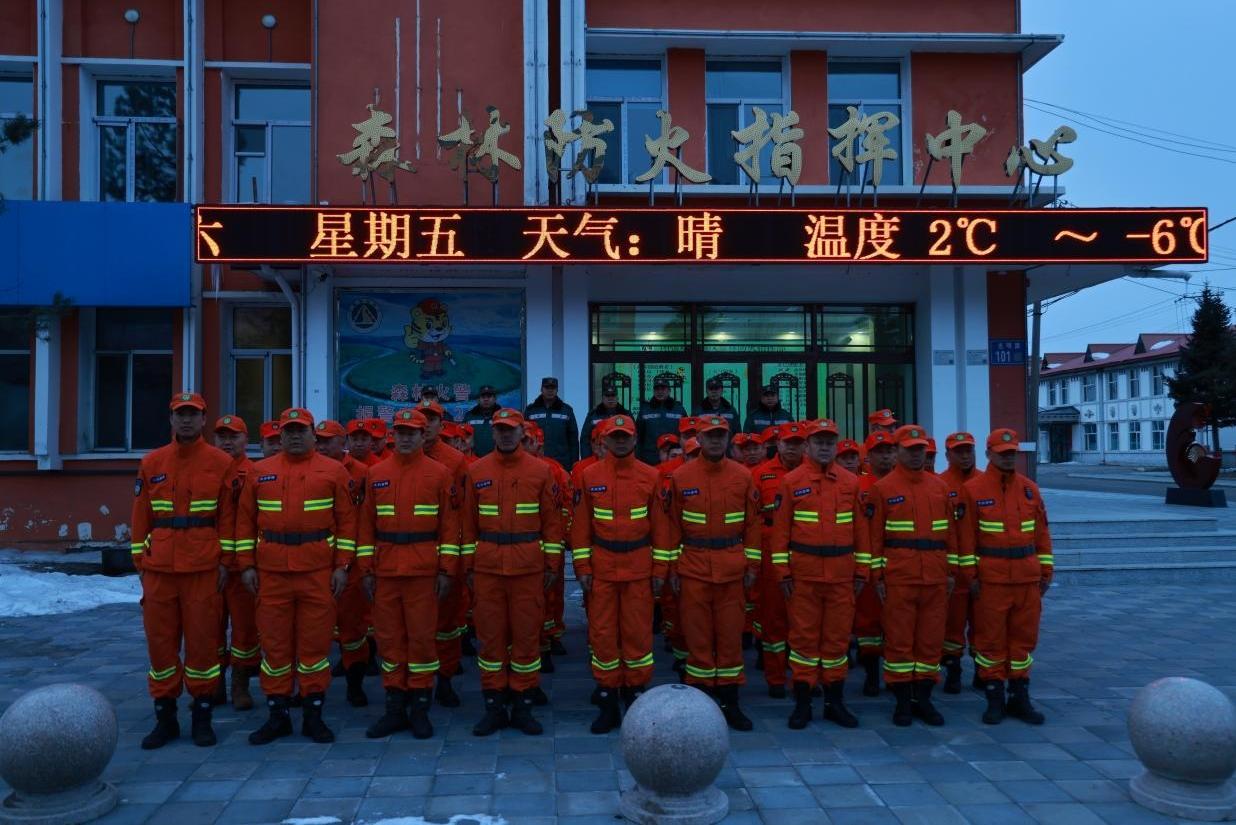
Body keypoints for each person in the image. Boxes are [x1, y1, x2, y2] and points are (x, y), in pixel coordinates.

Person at [236, 408, 357, 745]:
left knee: (314, 646)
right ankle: (278, 716)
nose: (293, 436)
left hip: (317, 573)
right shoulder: (260, 472)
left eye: (300, 430)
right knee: (275, 647)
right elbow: (244, 523)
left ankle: (313, 716)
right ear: (280, 435)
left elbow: (348, 523)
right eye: (288, 431)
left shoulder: (333, 471)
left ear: (313, 435)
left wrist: (342, 566)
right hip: (271, 574)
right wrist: (246, 565)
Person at [131, 392, 235, 749]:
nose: (186, 420)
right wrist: (140, 562)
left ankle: (202, 718)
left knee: (203, 645)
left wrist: (225, 561)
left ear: (204, 419)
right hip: (160, 569)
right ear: (171, 419)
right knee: (160, 645)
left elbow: (227, 518)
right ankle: (166, 719)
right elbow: (140, 515)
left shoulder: (221, 462)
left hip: (203, 568)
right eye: (180, 414)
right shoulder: (152, 462)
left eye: (193, 414)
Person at [358, 409, 460, 739]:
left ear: (423, 435)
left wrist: (447, 569)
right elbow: (365, 526)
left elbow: (449, 527)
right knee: (389, 640)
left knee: (421, 639)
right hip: (386, 570)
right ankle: (394, 708)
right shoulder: (376, 474)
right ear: (393, 434)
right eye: (400, 432)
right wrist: (365, 568)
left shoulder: (440, 474)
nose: (404, 438)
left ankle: (419, 709)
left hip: (423, 571)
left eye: (411, 433)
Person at [463, 408, 565, 736]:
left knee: (526, 638)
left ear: (523, 432)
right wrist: (468, 566)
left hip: (527, 568)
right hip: (488, 569)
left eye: (511, 429)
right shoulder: (476, 471)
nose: (506, 435)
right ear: (492, 433)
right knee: (490, 639)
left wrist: (552, 563)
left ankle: (522, 705)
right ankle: (494, 706)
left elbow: (552, 523)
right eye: (500, 429)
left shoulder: (541, 471)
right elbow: (467, 525)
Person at [571, 414, 672, 732]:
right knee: (602, 635)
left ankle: (635, 693)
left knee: (637, 634)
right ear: (604, 440)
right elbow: (581, 527)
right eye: (614, 437)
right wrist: (582, 567)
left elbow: (661, 528)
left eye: (625, 436)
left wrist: (660, 569)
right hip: (602, 569)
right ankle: (607, 698)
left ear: (635, 439)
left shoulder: (651, 476)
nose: (620, 441)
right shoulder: (589, 476)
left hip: (639, 569)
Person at [769, 418, 870, 729]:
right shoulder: (791, 481)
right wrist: (783, 573)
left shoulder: (851, 482)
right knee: (803, 641)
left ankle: (834, 703)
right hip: (804, 576)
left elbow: (861, 532)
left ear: (836, 446)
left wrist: (862, 571)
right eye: (819, 442)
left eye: (829, 442)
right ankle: (803, 703)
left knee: (837, 642)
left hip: (841, 576)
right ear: (808, 445)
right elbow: (780, 533)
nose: (825, 447)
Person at [666, 415, 761, 730]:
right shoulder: (681, 477)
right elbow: (672, 526)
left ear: (728, 438)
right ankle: (702, 704)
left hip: (732, 568)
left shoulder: (743, 476)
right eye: (710, 435)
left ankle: (731, 702)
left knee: (731, 637)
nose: (716, 440)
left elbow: (753, 525)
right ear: (699, 439)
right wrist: (673, 568)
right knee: (698, 639)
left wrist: (752, 565)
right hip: (693, 567)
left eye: (721, 435)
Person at [960, 429, 1052, 726]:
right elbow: (966, 540)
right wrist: (971, 576)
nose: (1008, 458)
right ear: (989, 454)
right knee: (991, 642)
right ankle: (994, 697)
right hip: (992, 581)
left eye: (1012, 453)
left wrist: (1046, 571)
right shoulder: (973, 490)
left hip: (1026, 579)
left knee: (1023, 641)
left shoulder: (1029, 489)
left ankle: (1019, 696)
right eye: (1002, 453)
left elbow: (1042, 535)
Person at [869, 425, 959, 727]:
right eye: (910, 449)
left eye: (920, 449)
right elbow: (874, 538)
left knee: (930, 641)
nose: (916, 454)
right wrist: (878, 577)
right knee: (899, 641)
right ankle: (902, 701)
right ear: (897, 451)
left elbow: (951, 536)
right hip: (899, 577)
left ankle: (924, 698)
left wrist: (951, 572)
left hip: (935, 576)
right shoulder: (882, 489)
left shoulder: (940, 487)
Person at [414, 398, 470, 707]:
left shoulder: (455, 461)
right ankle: (414, 685)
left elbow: (461, 511)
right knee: (414, 623)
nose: (426, 424)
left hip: (446, 550)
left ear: (440, 423)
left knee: (447, 621)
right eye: (421, 418)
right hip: (409, 554)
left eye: (432, 419)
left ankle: (445, 679)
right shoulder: (397, 457)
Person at [316, 419, 373, 707]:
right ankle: (310, 690)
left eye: (328, 440)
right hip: (316, 561)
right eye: (319, 440)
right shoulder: (310, 469)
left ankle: (355, 684)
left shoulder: (363, 473)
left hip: (351, 562)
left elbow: (367, 519)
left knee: (353, 628)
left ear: (343, 443)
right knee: (314, 628)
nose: (322, 446)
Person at [751, 421, 808, 697]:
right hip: (770, 551)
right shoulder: (760, 474)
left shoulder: (813, 473)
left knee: (804, 621)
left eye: (798, 443)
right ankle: (775, 678)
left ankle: (803, 677)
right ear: (779, 445)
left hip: (805, 552)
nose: (793, 448)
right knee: (773, 617)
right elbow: (751, 518)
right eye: (788, 443)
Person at [213, 414, 258, 711]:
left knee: (244, 628)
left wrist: (248, 563)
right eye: (222, 436)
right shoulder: (207, 470)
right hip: (210, 564)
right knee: (210, 628)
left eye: (234, 436)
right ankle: (213, 685)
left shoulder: (255, 473)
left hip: (241, 568)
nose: (227, 442)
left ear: (246, 440)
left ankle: (240, 685)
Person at [521, 421, 573, 673]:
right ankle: (537, 643)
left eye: (528, 441)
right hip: (524, 546)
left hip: (550, 542)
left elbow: (565, 506)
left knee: (553, 593)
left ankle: (552, 635)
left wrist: (561, 538)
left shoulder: (554, 470)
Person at [854, 430, 897, 696]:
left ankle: (896, 676)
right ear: (868, 456)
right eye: (879, 452)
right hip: (867, 562)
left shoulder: (903, 482)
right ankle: (871, 675)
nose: (885, 456)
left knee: (897, 622)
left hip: (899, 563)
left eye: (889, 451)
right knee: (868, 623)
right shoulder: (857, 486)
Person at [939, 431, 979, 693]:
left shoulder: (985, 482)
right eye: (959, 451)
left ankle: (983, 671)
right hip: (953, 571)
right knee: (952, 625)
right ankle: (953, 670)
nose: (965, 456)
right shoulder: (939, 485)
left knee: (983, 624)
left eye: (968, 451)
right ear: (948, 455)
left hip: (982, 570)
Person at [525, 376, 580, 470]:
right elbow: (524, 436)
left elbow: (573, 440)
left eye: (553, 388)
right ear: (541, 389)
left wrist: (574, 464)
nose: (550, 390)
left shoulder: (566, 410)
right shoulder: (531, 410)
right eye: (547, 387)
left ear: (557, 390)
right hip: (536, 462)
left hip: (562, 464)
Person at [636, 377, 687, 465]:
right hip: (650, 458)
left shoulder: (679, 409)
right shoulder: (645, 410)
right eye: (657, 389)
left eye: (663, 389)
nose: (660, 392)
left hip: (674, 457)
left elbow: (685, 434)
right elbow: (638, 436)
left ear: (669, 390)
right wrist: (638, 456)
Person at [583, 382, 631, 459]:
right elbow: (585, 439)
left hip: (621, 458)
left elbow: (633, 438)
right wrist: (587, 458)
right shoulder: (593, 415)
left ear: (617, 398)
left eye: (613, 395)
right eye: (607, 396)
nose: (610, 398)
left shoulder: (626, 415)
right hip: (598, 458)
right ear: (602, 398)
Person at [463, 385, 500, 457]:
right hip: (474, 459)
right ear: (478, 400)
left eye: (489, 396)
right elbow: (462, 438)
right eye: (483, 397)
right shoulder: (469, 416)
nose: (486, 399)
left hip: (497, 459)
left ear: (495, 399)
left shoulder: (501, 416)